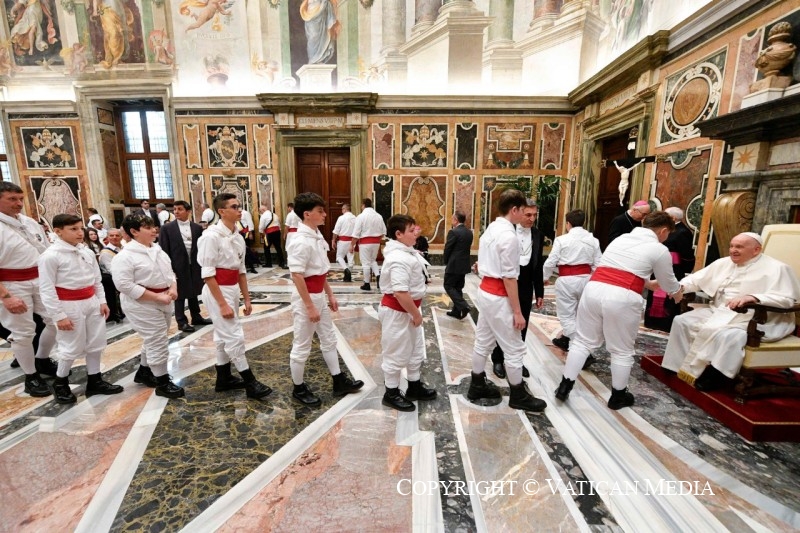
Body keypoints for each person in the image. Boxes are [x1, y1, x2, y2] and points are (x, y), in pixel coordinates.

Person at [555, 212, 683, 409]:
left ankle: (564, 386)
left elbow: (619, 268)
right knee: (622, 350)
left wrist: (647, 283)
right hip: (621, 298)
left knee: (581, 341)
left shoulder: (622, 238)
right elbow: (669, 283)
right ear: (664, 230)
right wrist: (677, 293)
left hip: (594, 289)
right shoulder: (659, 249)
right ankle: (618, 396)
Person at [661, 232, 800, 391]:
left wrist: (754, 297)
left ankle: (716, 376)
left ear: (756, 250)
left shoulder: (778, 268)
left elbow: (787, 300)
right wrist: (681, 287)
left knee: (730, 335)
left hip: (757, 318)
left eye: (739, 247)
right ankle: (674, 365)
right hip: (720, 311)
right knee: (682, 321)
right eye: (732, 246)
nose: (733, 250)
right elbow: (696, 279)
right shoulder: (723, 263)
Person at [466, 189, 547, 413]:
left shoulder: (490, 230)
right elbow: (510, 278)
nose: (526, 216)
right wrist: (518, 312)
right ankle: (518, 394)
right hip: (500, 295)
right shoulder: (509, 236)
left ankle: (477, 384)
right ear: (515, 209)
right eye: (523, 211)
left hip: (486, 291)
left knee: (483, 341)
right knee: (514, 348)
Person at [286, 192, 363, 406]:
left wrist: (329, 294)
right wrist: (310, 306)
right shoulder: (300, 240)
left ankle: (339, 381)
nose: (325, 215)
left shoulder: (316, 235)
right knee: (302, 344)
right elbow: (297, 275)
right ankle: (298, 388)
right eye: (320, 211)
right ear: (307, 214)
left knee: (329, 338)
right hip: (306, 298)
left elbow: (320, 271)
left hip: (318, 293)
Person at [38, 214, 123, 404]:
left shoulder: (87, 252)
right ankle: (61, 382)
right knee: (70, 346)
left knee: (96, 342)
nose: (79, 233)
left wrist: (101, 301)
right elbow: (46, 288)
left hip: (91, 301)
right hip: (68, 305)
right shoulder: (51, 256)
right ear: (58, 231)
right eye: (73, 229)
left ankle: (95, 379)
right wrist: (58, 315)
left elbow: (96, 279)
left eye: (80, 228)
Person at [197, 193, 272, 399]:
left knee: (223, 336)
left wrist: (246, 299)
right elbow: (208, 274)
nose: (240, 210)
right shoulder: (210, 237)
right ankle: (250, 382)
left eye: (239, 206)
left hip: (231, 289)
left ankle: (224, 378)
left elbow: (241, 271)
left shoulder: (238, 236)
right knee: (234, 335)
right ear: (222, 211)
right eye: (234, 206)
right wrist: (222, 304)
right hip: (216, 291)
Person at [112, 214, 184, 398]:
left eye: (153, 226)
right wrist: (156, 296)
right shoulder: (125, 256)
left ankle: (144, 371)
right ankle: (162, 382)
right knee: (157, 339)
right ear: (134, 232)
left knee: (156, 337)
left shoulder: (157, 250)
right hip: (141, 303)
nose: (154, 230)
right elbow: (124, 285)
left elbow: (169, 272)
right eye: (147, 227)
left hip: (164, 298)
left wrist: (173, 287)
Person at [0, 182, 58, 396]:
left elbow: (45, 250)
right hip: (12, 284)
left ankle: (42, 359)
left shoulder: (29, 222)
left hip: (40, 279)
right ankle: (31, 375)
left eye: (20, 199)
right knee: (23, 333)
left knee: (55, 320)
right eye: (12, 199)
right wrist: (6, 296)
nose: (18, 204)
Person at [379, 214, 436, 411]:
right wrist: (416, 314)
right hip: (398, 312)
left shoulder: (408, 252)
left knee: (414, 350)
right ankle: (391, 392)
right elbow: (400, 292)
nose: (416, 234)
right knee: (395, 351)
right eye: (411, 231)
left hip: (409, 310)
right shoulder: (397, 258)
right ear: (398, 234)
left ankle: (414, 386)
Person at [489, 199, 544, 380]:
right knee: (504, 322)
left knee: (523, 324)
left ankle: (517, 360)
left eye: (534, 215)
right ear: (519, 212)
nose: (531, 219)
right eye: (528, 214)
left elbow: (538, 266)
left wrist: (540, 292)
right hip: (507, 284)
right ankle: (498, 359)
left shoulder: (537, 234)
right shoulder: (506, 231)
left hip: (526, 285)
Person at [542, 209, 602, 352]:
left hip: (567, 281)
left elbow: (550, 262)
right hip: (587, 280)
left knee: (567, 316)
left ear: (568, 224)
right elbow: (599, 264)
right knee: (582, 315)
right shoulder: (593, 240)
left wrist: (544, 278)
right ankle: (568, 340)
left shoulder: (562, 240)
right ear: (583, 222)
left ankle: (580, 348)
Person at [158, 201, 212, 333]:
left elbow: (200, 247)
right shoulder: (167, 228)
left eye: (180, 209)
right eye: (175, 209)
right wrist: (169, 269)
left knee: (193, 290)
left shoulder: (196, 228)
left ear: (188, 211)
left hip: (194, 264)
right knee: (180, 294)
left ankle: (196, 316)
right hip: (177, 265)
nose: (176, 212)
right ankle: (181, 321)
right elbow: (164, 250)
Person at [644, 206, 696, 332]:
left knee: (669, 296)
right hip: (658, 265)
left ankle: (665, 324)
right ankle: (652, 322)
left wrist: (682, 269)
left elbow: (687, 255)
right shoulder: (661, 230)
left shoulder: (683, 231)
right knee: (655, 291)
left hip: (674, 268)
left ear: (672, 218)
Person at [350, 198, 386, 291]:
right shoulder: (379, 216)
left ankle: (367, 284)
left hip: (365, 243)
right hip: (376, 242)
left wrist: (352, 245)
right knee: (373, 261)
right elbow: (383, 232)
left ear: (363, 205)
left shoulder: (361, 216)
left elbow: (356, 234)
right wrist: (376, 238)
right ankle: (378, 277)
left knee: (365, 263)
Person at [443, 211, 473, 319]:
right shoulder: (469, 232)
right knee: (458, 287)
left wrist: (446, 261)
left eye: (452, 219)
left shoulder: (454, 232)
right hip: (464, 265)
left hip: (454, 264)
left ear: (456, 220)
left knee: (448, 285)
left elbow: (448, 248)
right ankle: (456, 311)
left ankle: (463, 306)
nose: (451, 221)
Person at [98, 228, 125, 323]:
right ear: (107, 238)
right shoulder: (106, 252)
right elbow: (112, 270)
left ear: (121, 237)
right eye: (112, 235)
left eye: (117, 235)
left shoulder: (123, 248)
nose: (114, 237)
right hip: (112, 279)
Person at [331, 203, 355, 282]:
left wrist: (333, 240)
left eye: (342, 209)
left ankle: (346, 270)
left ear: (345, 209)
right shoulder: (355, 218)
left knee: (339, 257)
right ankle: (348, 275)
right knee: (350, 259)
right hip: (352, 241)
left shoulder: (341, 218)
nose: (342, 211)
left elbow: (336, 231)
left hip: (342, 241)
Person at [258, 203, 286, 269]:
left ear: (263, 210)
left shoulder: (264, 216)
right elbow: (279, 223)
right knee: (278, 247)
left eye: (260, 210)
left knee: (266, 248)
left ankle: (268, 263)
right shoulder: (274, 215)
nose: (260, 212)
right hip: (277, 232)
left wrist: (261, 232)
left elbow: (261, 226)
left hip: (269, 233)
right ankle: (281, 263)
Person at [238, 206, 259, 274]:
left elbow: (250, 223)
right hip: (238, 234)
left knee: (247, 250)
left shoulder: (245, 213)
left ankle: (252, 267)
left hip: (245, 233)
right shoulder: (235, 214)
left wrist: (250, 233)